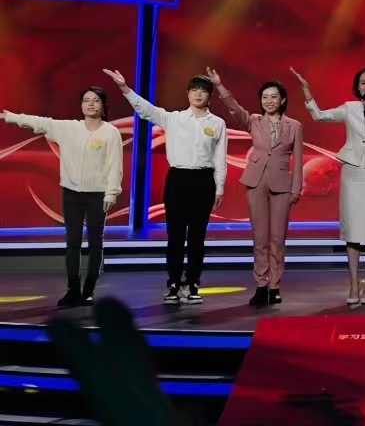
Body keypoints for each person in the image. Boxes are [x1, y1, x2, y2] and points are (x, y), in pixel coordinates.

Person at [104, 70, 226, 305]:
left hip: (204, 181)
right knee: (176, 236)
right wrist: (124, 88)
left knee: (198, 237)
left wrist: (219, 187)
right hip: (178, 179)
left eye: (203, 91)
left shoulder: (217, 123)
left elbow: (220, 158)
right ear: (187, 93)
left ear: (210, 96)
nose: (198, 94)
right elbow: (145, 109)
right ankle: (173, 284)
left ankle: (193, 284)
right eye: (194, 90)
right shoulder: (174, 118)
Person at [3, 88, 123, 308]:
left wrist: (111, 193)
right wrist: (11, 117)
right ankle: (73, 290)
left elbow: (116, 164)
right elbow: (40, 122)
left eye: (95, 100)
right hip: (72, 194)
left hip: (98, 195)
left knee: (95, 243)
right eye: (86, 100)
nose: (90, 104)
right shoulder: (68, 128)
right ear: (81, 105)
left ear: (103, 105)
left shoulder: (111, 132)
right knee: (72, 243)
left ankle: (88, 290)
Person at [292, 66, 365, 306]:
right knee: (352, 229)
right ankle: (353, 283)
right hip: (352, 172)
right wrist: (307, 91)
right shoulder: (349, 108)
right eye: (363, 82)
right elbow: (319, 116)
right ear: (358, 87)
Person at [206, 69, 304, 307]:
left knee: (277, 238)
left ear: (282, 100)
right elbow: (234, 109)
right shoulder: (254, 121)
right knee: (260, 237)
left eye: (273, 97)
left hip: (282, 184)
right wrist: (219, 86)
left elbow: (299, 159)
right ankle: (261, 285)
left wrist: (296, 188)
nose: (269, 101)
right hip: (255, 181)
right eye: (264, 97)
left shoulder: (294, 126)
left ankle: (275, 286)